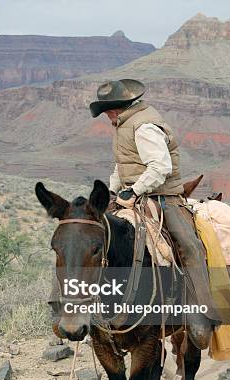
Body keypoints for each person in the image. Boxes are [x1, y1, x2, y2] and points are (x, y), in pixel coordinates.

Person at [89, 78, 217, 319]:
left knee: (190, 246)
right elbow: (123, 164)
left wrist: (135, 190)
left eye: (106, 112)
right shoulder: (123, 125)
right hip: (130, 194)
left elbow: (160, 167)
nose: (107, 117)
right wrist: (113, 192)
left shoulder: (144, 127)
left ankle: (203, 309)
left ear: (113, 110)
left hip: (163, 196)